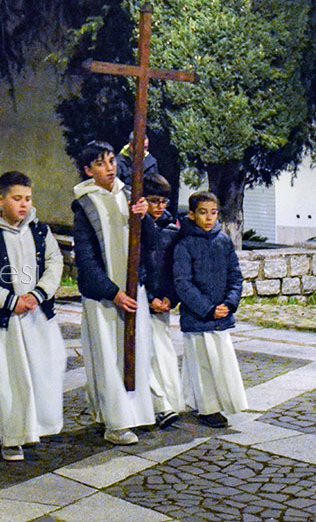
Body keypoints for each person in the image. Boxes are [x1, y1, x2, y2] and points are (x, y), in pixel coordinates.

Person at [0, 171, 65, 461]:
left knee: (45, 369)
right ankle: (12, 437)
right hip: (5, 319)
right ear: (0, 200)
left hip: (37, 313)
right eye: (16, 198)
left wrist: (38, 294)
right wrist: (10, 301)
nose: (23, 204)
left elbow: (54, 263)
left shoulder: (39, 230)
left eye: (28, 198)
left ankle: (39, 426)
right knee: (10, 378)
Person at [72, 140, 156, 445]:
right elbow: (86, 257)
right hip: (105, 298)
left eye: (111, 161)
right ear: (88, 170)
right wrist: (112, 292)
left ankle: (137, 413)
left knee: (136, 353)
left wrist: (145, 218)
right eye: (100, 163)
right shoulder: (84, 203)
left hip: (134, 291)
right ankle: (115, 422)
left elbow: (152, 245)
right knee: (109, 357)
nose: (110, 168)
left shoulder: (130, 195)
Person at [173, 191, 247, 428]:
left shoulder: (223, 241)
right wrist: (207, 308)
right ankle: (206, 407)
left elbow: (236, 276)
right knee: (201, 362)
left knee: (221, 361)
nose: (209, 218)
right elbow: (183, 282)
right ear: (192, 215)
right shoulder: (184, 244)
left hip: (221, 314)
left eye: (213, 213)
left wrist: (229, 303)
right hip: (198, 316)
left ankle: (219, 401)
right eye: (203, 213)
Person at [142, 174, 183, 429]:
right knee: (145, 353)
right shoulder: (135, 227)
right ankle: (157, 405)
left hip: (163, 300)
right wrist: (147, 298)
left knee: (163, 353)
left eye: (163, 201)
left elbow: (175, 268)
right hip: (142, 298)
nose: (159, 206)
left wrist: (170, 297)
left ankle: (167, 402)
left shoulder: (172, 230)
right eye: (153, 201)